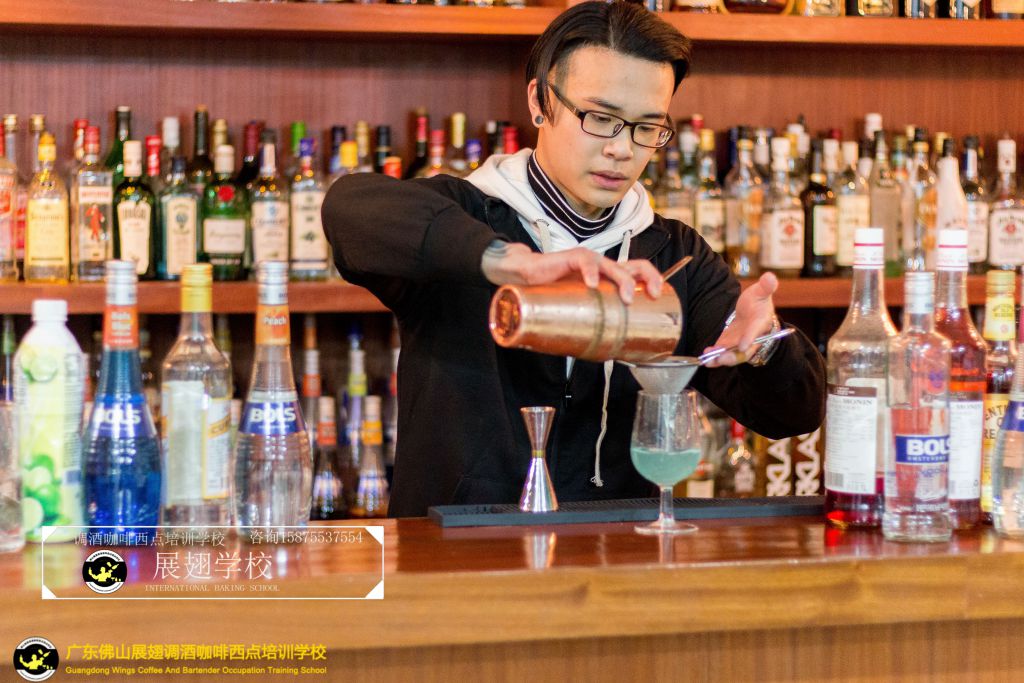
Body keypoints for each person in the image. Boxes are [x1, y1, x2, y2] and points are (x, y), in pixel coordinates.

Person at [323, 1, 825, 518]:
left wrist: (764, 346)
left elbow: (795, 414)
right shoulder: (468, 214)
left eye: (646, 127)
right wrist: (508, 262)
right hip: (456, 544)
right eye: (601, 119)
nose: (622, 149)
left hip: (616, 549)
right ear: (540, 102)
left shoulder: (675, 256)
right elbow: (349, 210)